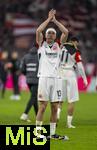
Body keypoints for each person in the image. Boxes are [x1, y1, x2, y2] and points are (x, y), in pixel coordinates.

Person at [36, 9, 69, 139]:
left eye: (52, 33)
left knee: (55, 107)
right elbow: (38, 31)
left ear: (55, 36)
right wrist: (48, 19)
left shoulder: (59, 46)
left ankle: (52, 133)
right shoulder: (41, 45)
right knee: (42, 107)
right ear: (45, 36)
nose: (49, 34)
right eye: (48, 33)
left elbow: (66, 32)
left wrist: (55, 21)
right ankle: (38, 134)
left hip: (56, 79)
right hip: (43, 78)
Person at [57, 36, 88, 128]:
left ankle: (57, 114)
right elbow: (80, 67)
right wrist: (84, 78)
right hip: (70, 73)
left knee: (60, 99)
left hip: (60, 73)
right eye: (77, 43)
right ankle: (69, 123)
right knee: (72, 100)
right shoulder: (76, 51)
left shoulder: (61, 47)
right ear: (75, 42)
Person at [20, 45, 39, 122]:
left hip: (28, 80)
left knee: (33, 97)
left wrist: (27, 75)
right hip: (36, 80)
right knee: (33, 97)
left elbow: (22, 69)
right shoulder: (39, 56)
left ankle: (38, 115)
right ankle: (25, 114)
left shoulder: (25, 56)